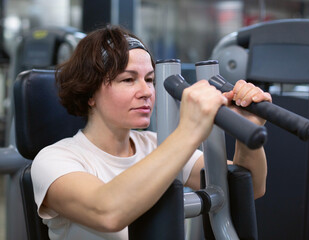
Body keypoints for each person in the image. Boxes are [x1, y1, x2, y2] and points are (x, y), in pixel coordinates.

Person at [31, 25, 272, 240]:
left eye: (149, 79)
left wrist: (249, 132)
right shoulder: (54, 160)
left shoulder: (159, 144)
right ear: (90, 93)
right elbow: (107, 212)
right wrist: (189, 130)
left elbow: (249, 189)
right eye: (128, 80)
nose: (146, 91)